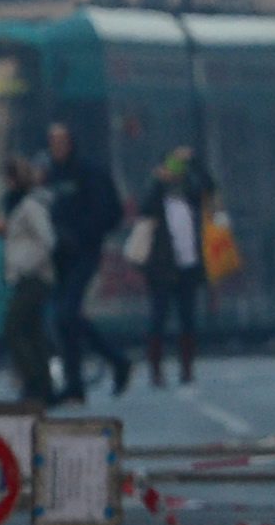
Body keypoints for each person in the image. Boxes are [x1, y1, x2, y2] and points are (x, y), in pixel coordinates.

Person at [43, 122, 129, 401]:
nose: (57, 148)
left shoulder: (88, 171)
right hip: (59, 256)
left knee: (67, 313)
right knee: (63, 319)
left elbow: (109, 210)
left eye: (61, 142)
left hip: (84, 252)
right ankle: (75, 383)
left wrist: (82, 234)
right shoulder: (51, 175)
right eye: (52, 143)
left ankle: (114, 360)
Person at [137, 147, 210, 387]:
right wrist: (159, 180)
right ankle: (156, 370)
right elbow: (145, 207)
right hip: (161, 267)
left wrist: (193, 162)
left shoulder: (189, 191)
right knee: (158, 318)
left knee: (187, 318)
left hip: (188, 264)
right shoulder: (157, 193)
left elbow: (207, 188)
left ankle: (187, 368)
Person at [0, 167, 59, 406]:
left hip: (34, 277)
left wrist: (27, 265)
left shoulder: (30, 207)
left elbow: (48, 240)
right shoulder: (16, 207)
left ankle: (33, 380)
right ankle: (45, 389)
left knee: (13, 327)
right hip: (25, 277)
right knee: (34, 332)